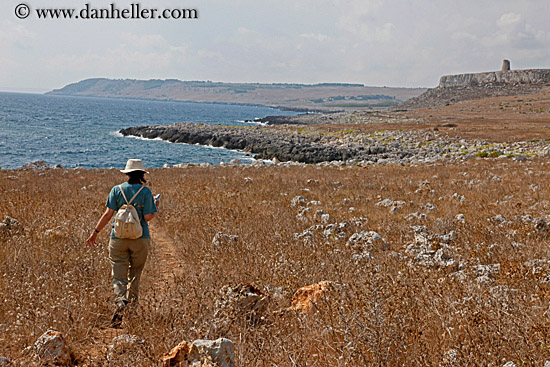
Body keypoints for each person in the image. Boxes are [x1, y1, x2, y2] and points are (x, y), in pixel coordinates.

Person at [87, 159, 159, 327]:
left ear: (126, 173)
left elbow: (107, 214)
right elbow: (148, 217)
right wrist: (155, 206)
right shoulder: (145, 192)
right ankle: (132, 310)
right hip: (140, 238)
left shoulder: (116, 190)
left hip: (118, 238)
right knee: (135, 273)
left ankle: (120, 302)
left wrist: (95, 233)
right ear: (142, 174)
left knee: (119, 274)